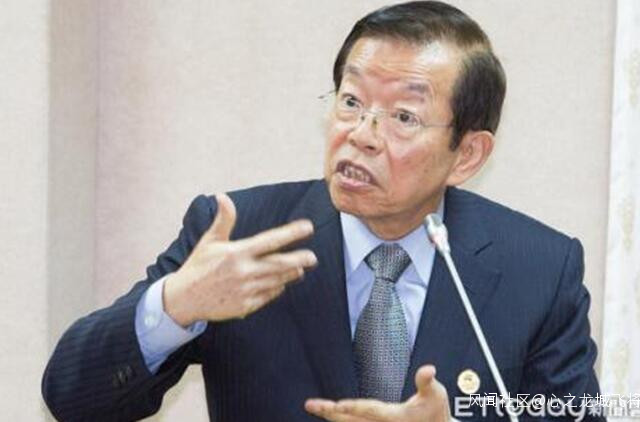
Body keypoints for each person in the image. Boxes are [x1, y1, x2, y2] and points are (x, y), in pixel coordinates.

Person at [42, 2, 605, 421]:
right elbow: (72, 397)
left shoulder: (539, 271)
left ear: (468, 155)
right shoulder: (240, 235)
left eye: (403, 118)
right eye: (351, 102)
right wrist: (175, 305)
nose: (362, 134)